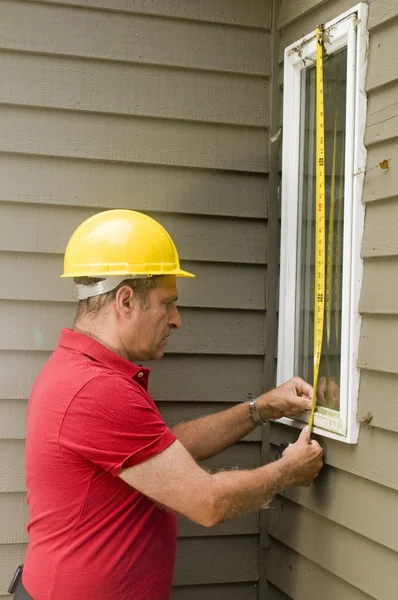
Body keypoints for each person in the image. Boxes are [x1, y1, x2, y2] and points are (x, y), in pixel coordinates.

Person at [20, 209, 323, 600]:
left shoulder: (79, 369)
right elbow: (207, 501)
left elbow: (164, 450)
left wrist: (261, 408)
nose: (177, 320)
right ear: (126, 301)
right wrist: (287, 471)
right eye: (167, 303)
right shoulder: (97, 389)